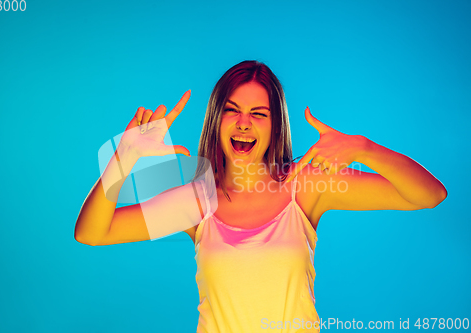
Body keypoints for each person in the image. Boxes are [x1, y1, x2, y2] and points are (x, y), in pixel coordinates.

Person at [75, 60, 447, 332]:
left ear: (275, 126)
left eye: (259, 113)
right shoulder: (197, 201)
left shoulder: (307, 186)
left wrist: (364, 149)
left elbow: (428, 194)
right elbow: (93, 232)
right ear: (217, 120)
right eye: (233, 110)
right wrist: (123, 160)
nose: (244, 123)